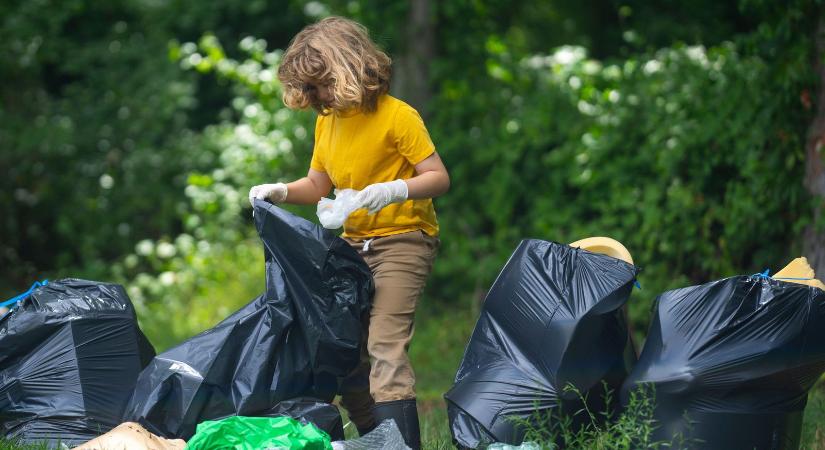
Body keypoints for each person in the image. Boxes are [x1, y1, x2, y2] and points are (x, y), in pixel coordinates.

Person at [248, 16, 449, 449]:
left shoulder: (398, 116)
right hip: (352, 247)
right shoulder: (328, 122)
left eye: (318, 86)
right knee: (346, 353)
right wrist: (281, 191)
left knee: (384, 345)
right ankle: (378, 440)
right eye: (308, 90)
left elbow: (438, 177)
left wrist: (390, 191)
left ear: (345, 70)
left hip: (403, 240)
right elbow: (319, 184)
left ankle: (404, 446)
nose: (313, 98)